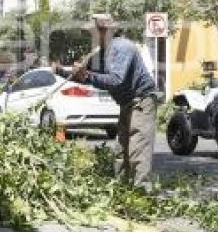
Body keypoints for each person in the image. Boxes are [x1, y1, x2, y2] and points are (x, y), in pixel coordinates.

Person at [58, 13, 158, 185]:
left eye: (92, 32)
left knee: (137, 151)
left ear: (104, 31)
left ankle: (143, 194)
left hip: (141, 101)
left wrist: (87, 75)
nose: (90, 37)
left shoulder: (122, 47)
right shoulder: (100, 53)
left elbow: (116, 80)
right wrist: (60, 70)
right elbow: (82, 75)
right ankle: (121, 191)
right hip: (127, 103)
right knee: (121, 152)